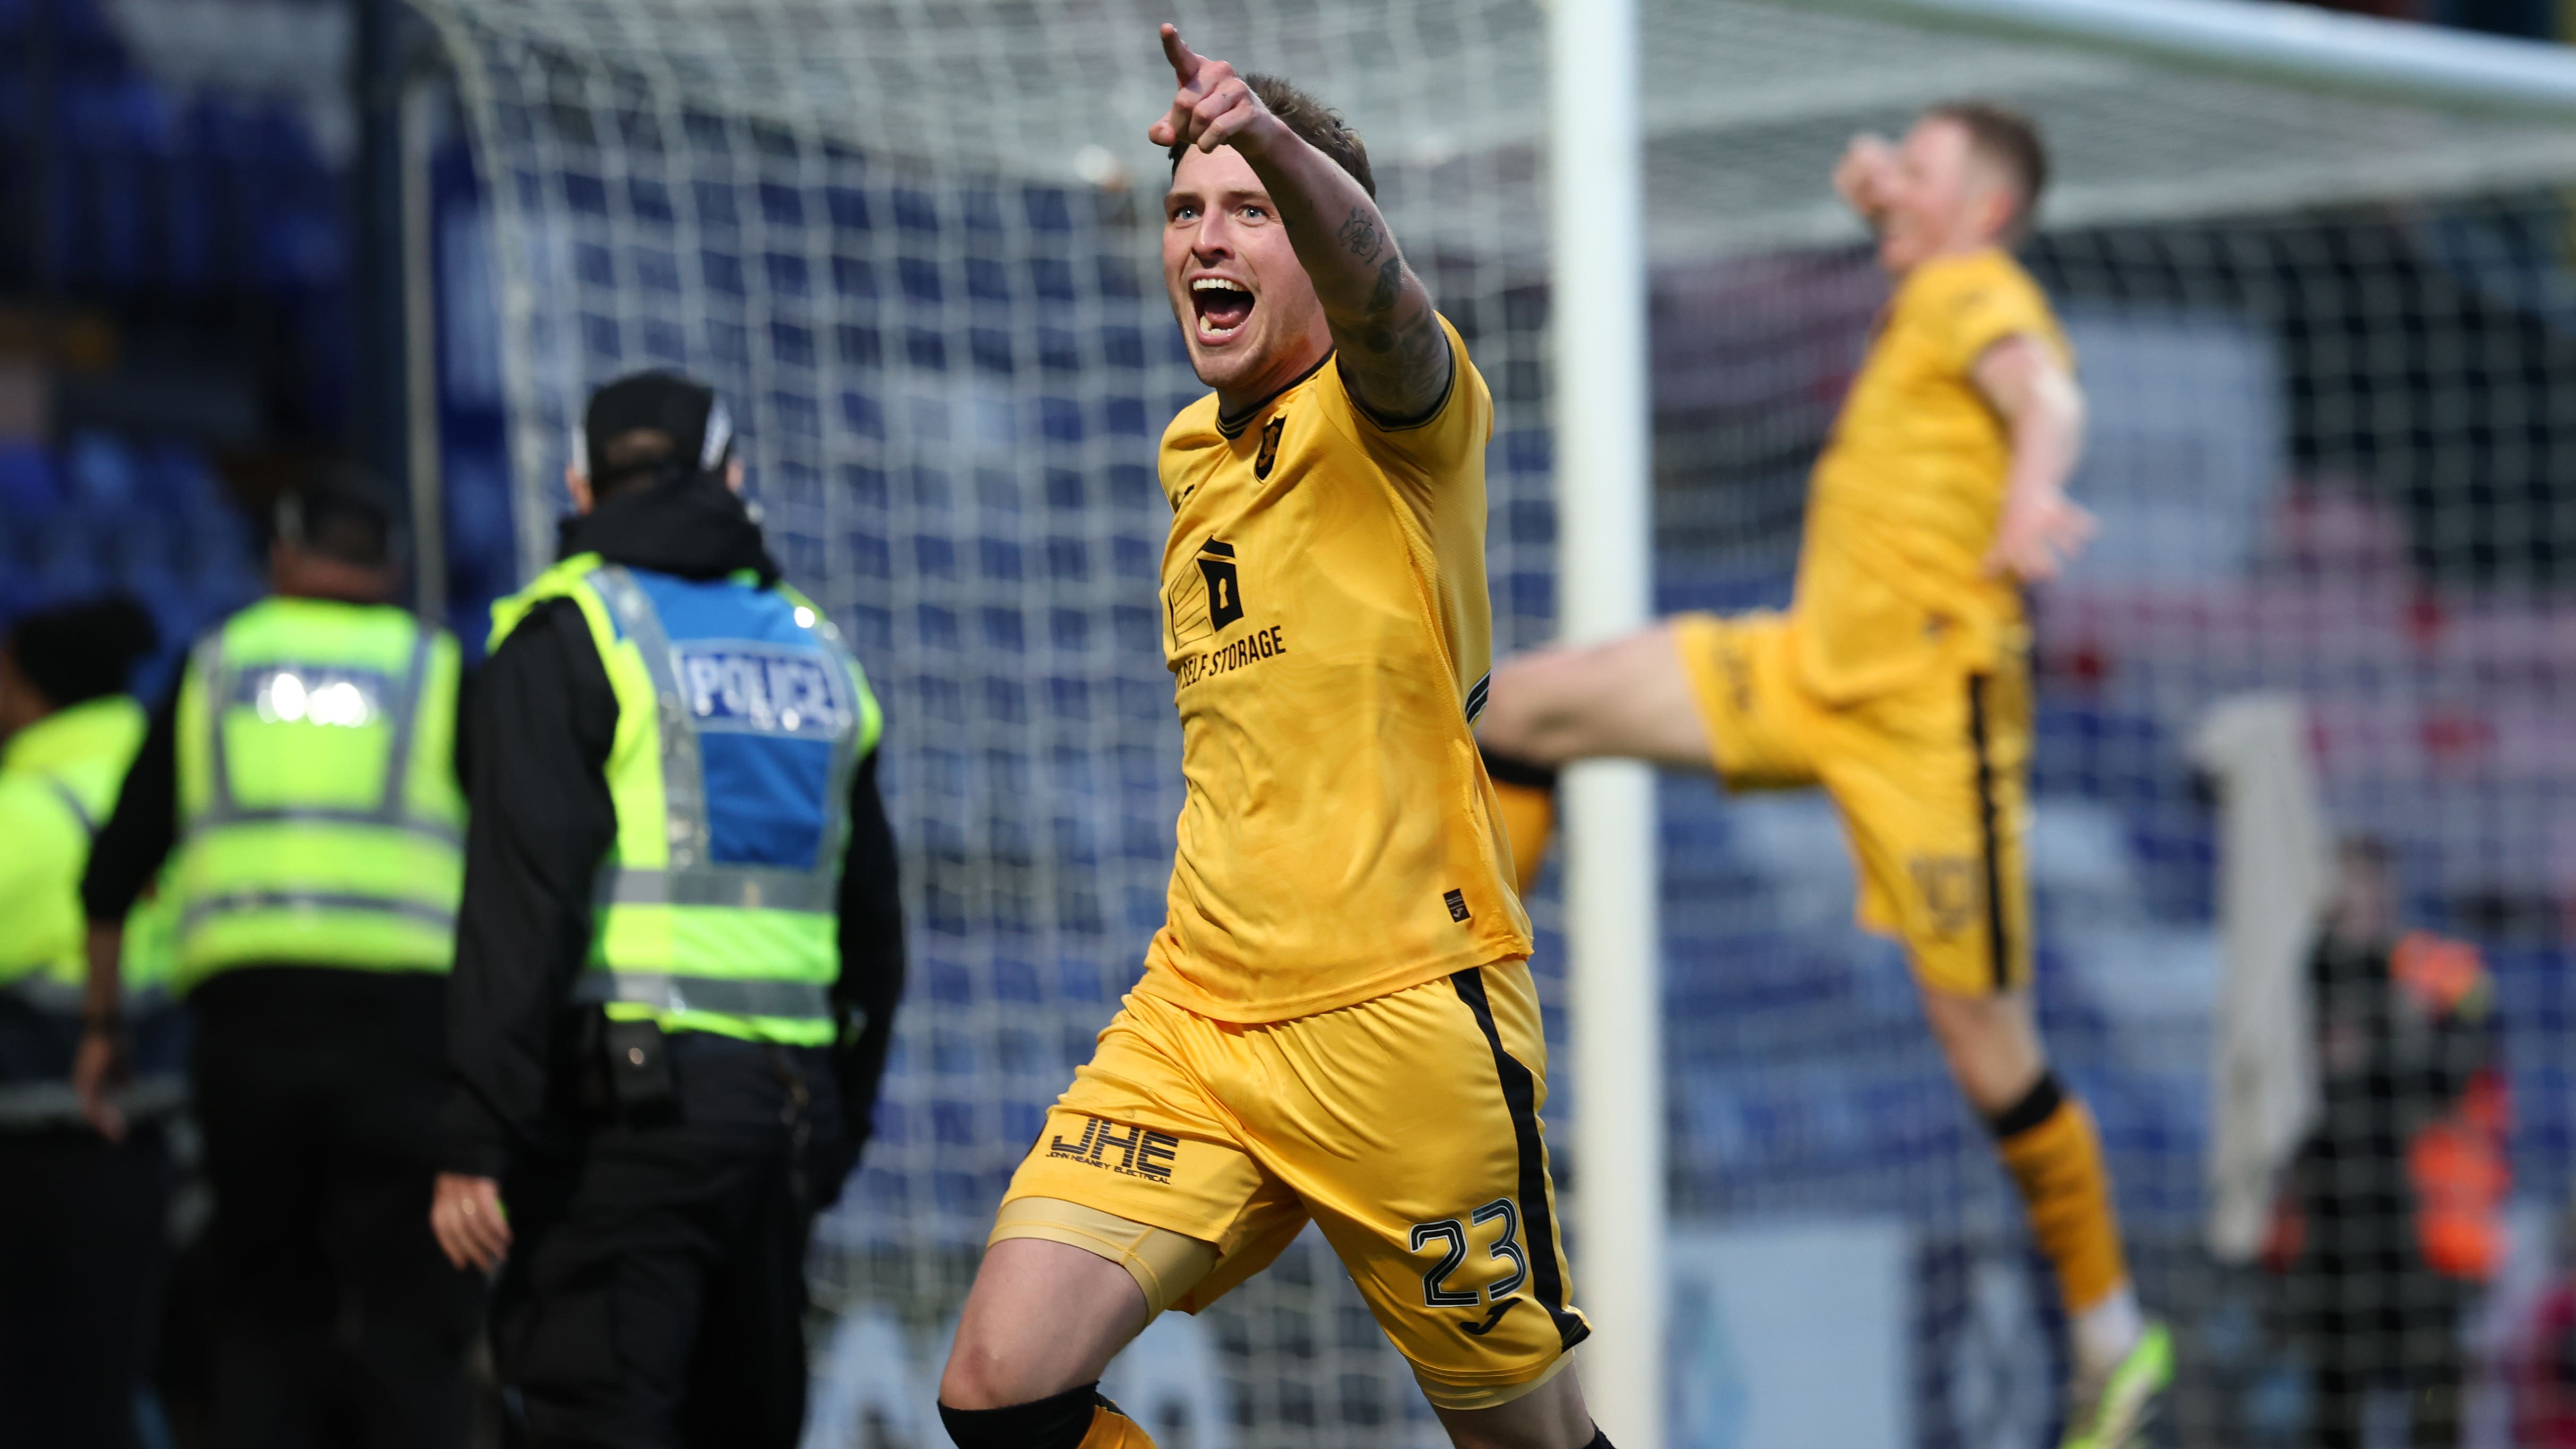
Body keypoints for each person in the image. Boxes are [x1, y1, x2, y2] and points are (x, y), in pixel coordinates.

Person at [938, 29, 1605, 1449]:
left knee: (1529, 1441)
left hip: (1399, 1015)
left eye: (1250, 211)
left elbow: (1385, 299)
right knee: (998, 1387)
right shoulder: (1191, 455)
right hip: (1196, 1014)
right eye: (1186, 210)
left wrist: (1274, 144)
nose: (1207, 237)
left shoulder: (1400, 414)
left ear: (1312, 236)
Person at [1475, 104, 2169, 1446]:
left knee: (1986, 1045)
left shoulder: (1977, 288)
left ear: (1984, 212)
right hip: (1807, 668)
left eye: (1921, 169)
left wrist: (2034, 490)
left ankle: (2110, 1334)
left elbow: (2046, 392)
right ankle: (1466, 1029)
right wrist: (1883, 194)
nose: (1890, 180)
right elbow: (1912, 223)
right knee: (1523, 711)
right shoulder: (1928, 276)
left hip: (1927, 721)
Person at [426, 368, 905, 1448]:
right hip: (783, 1117)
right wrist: (839, 1119)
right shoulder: (817, 650)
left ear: (579, 486)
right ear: (730, 478)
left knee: (598, 1416)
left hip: (626, 1121)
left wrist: (478, 1131)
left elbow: (522, 905)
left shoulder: (571, 634)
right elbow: (877, 933)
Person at [75, 469, 486, 1449]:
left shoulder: (217, 665)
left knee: (263, 1309)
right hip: (407, 1039)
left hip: (249, 1034)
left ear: (283, 559)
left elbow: (113, 871)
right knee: (409, 1315)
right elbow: (516, 859)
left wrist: (102, 1029)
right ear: (390, 569)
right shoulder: (436, 669)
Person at [0, 596, 181, 1449]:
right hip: (166, 1126)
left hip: (36, 1143)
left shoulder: (23, 811)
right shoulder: (176, 783)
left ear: (33, 691)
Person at [2272, 838, 2501, 1449]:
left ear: (2388, 890)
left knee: (2434, 1389)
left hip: (2430, 1230)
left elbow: (2457, 1068)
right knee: (2337, 1394)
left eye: (2364, 882)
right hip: (2334, 1231)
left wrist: (2376, 1047)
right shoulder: (2304, 975)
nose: (2353, 899)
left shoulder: (2447, 974)